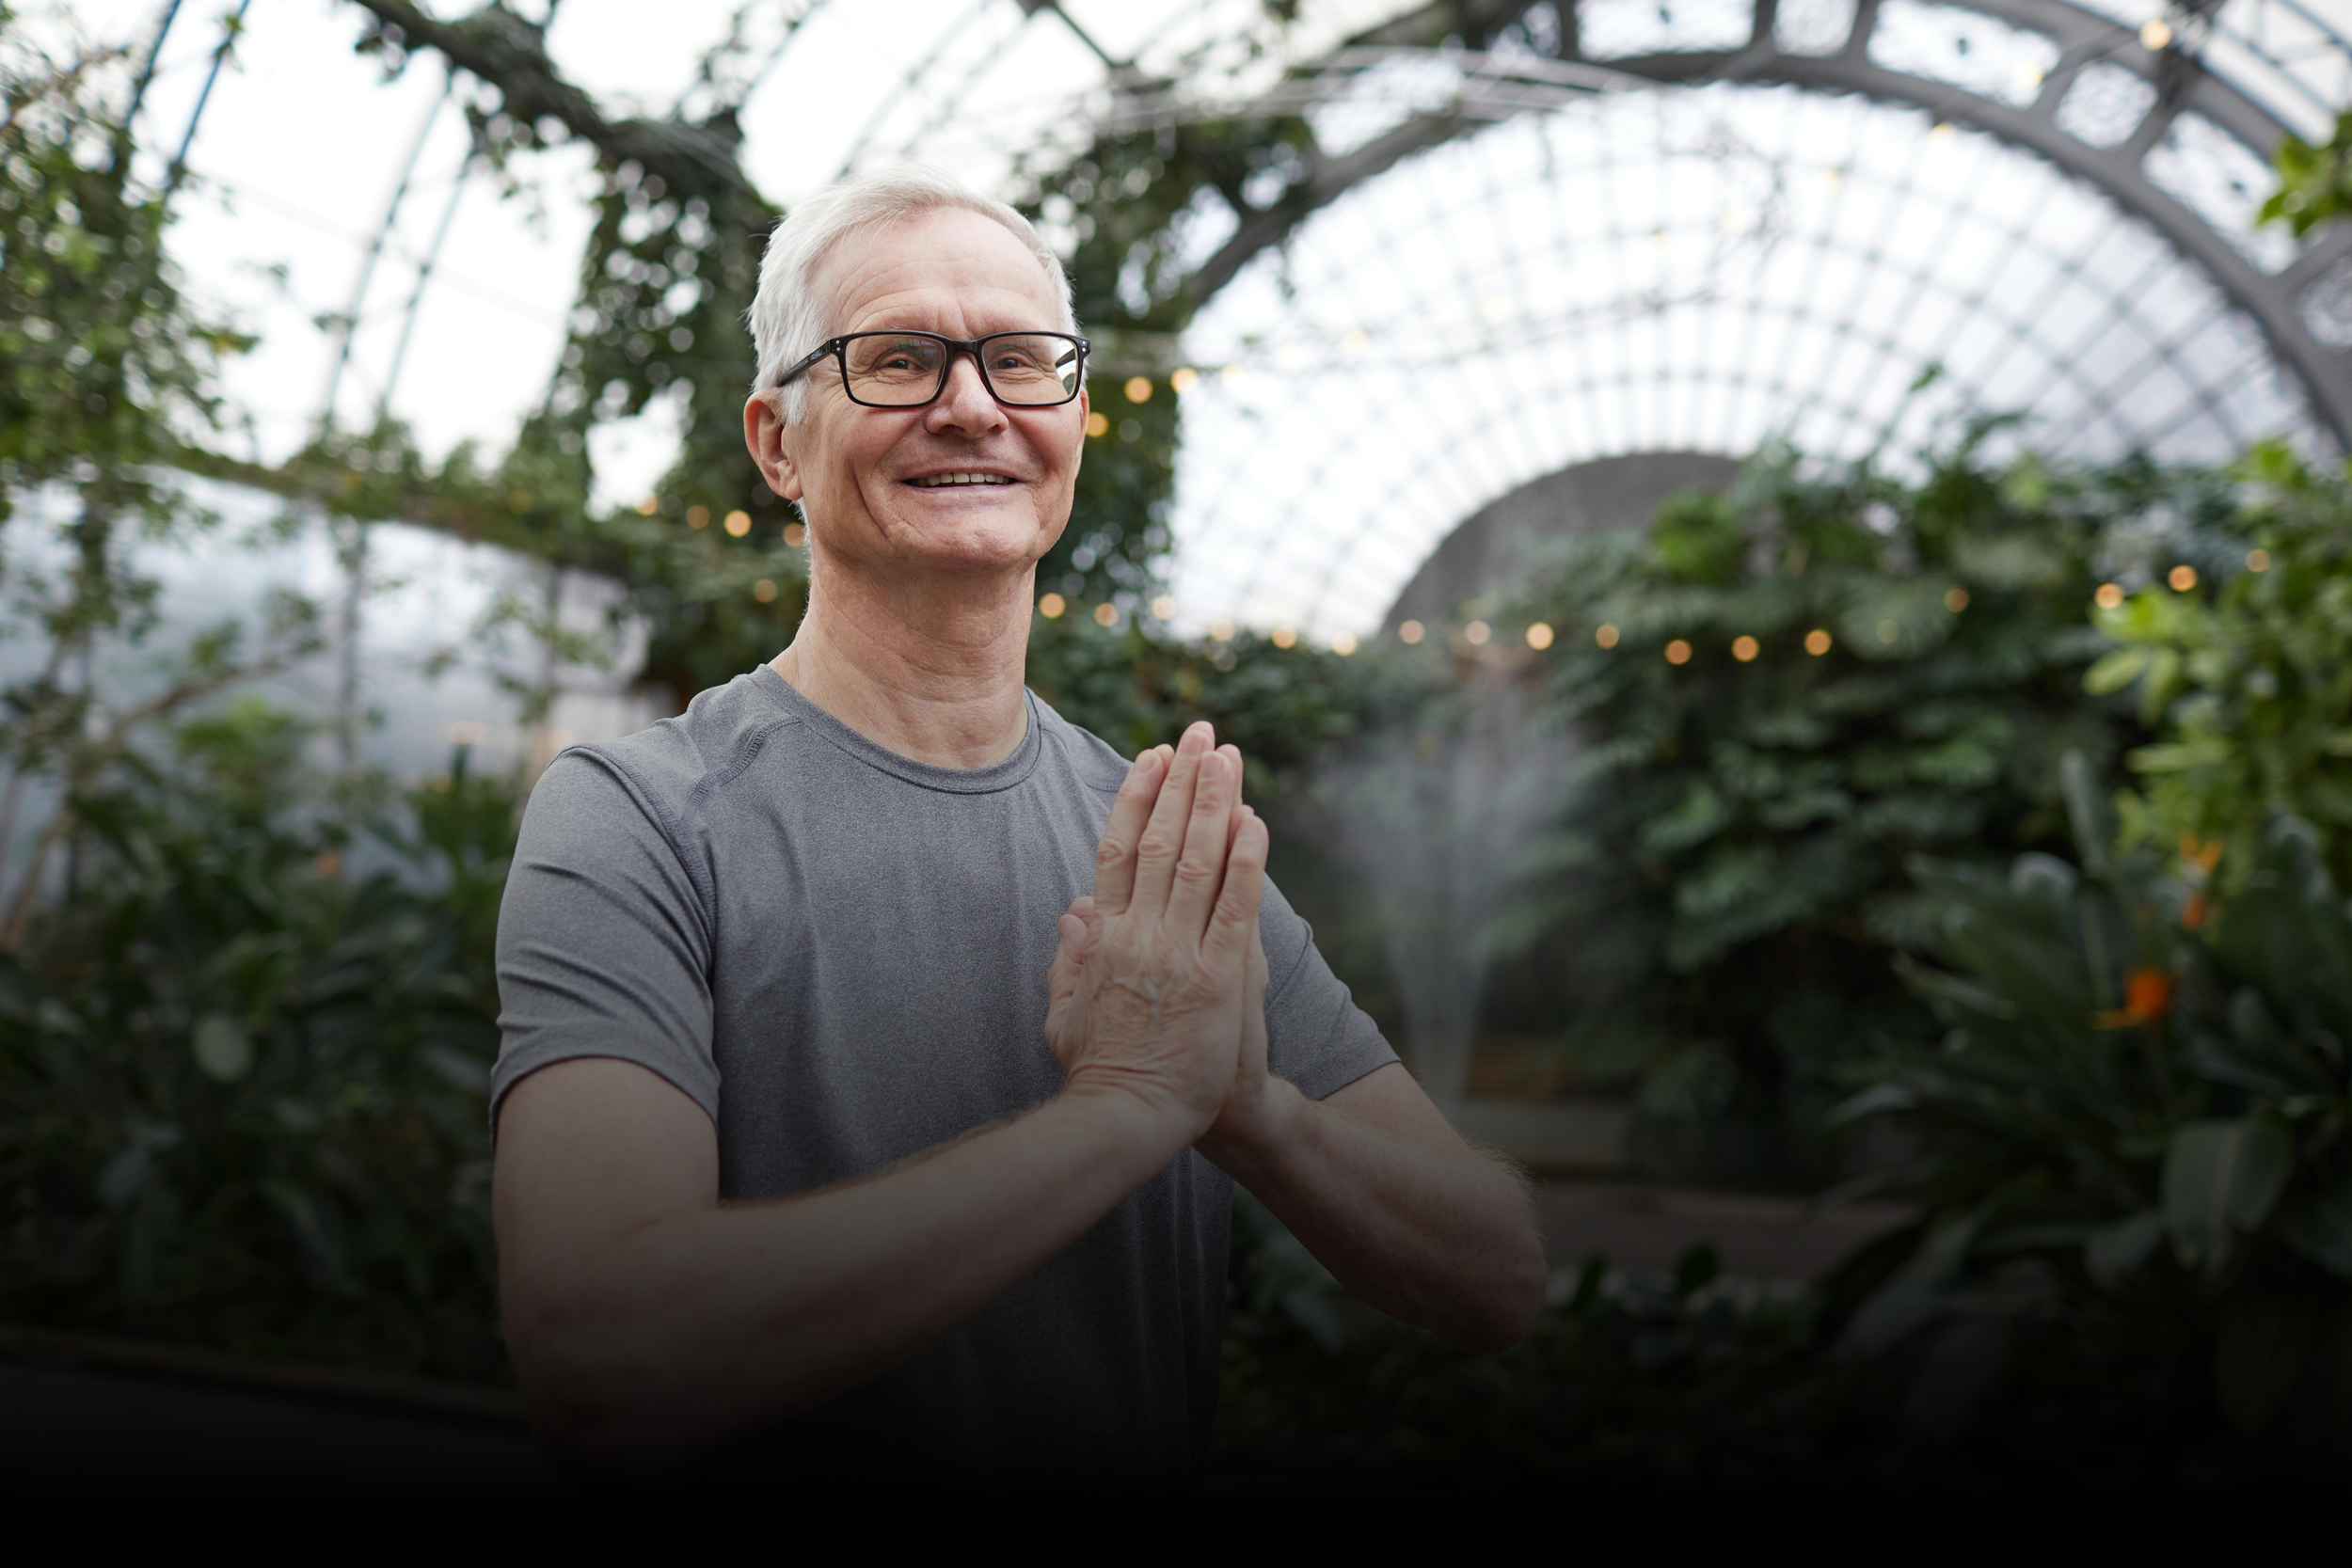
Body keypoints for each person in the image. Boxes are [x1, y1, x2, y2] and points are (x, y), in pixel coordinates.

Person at [489, 165, 1544, 1488]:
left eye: (1021, 361)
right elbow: (602, 1355)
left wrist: (1257, 1113)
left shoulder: (1159, 842)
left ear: (1076, 416)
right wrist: (1123, 1110)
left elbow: (1498, 1273)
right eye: (899, 359)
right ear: (776, 445)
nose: (974, 406)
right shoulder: (643, 818)